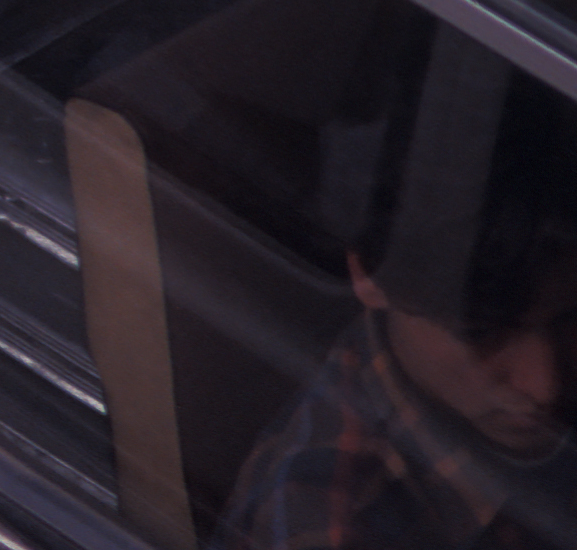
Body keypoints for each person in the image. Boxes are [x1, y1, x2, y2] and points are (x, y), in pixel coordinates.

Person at [216, 75, 577, 550]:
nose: (545, 385)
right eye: (483, 334)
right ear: (371, 275)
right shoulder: (333, 521)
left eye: (568, 319)